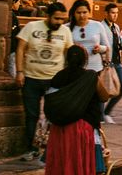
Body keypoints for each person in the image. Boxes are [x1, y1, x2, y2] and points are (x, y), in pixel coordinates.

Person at [15, 1, 73, 161]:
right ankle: (30, 148)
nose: (59, 22)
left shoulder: (66, 31)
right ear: (47, 16)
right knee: (31, 115)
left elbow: (69, 54)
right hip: (32, 78)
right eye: (56, 19)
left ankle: (49, 148)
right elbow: (20, 48)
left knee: (52, 115)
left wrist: (67, 77)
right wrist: (19, 72)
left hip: (54, 80)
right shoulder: (32, 28)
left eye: (62, 19)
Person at [44, 46, 110, 175]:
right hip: (81, 128)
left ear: (67, 59)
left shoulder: (58, 77)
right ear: (84, 60)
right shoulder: (90, 76)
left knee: (62, 163)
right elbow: (104, 97)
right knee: (78, 164)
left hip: (59, 129)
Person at [68, 0, 111, 72]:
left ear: (89, 12)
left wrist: (99, 48)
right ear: (74, 13)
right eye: (78, 12)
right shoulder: (67, 28)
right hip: (74, 70)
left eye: (84, 12)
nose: (81, 15)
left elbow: (107, 48)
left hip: (95, 69)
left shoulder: (97, 25)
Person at [101, 3, 122, 124]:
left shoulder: (116, 27)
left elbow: (118, 44)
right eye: (112, 12)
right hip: (106, 62)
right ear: (106, 13)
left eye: (116, 13)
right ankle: (101, 116)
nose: (115, 15)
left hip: (117, 62)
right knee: (103, 90)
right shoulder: (100, 27)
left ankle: (107, 112)